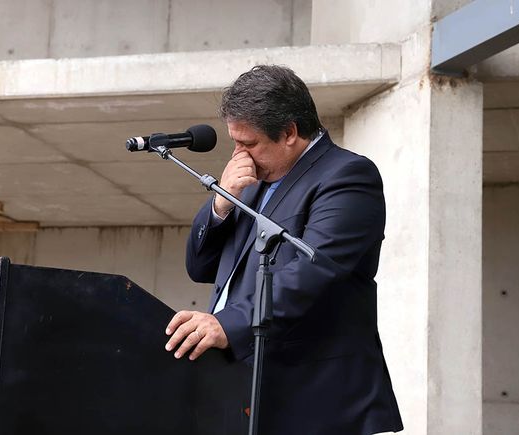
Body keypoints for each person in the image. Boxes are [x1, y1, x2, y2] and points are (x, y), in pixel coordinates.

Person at [164, 65, 403, 434]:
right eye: (235, 141)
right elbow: (200, 267)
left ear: (290, 132)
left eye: (249, 143)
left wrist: (226, 324)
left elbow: (316, 270)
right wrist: (221, 205)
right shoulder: (252, 181)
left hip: (316, 401)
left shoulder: (348, 176)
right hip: (245, 390)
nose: (238, 154)